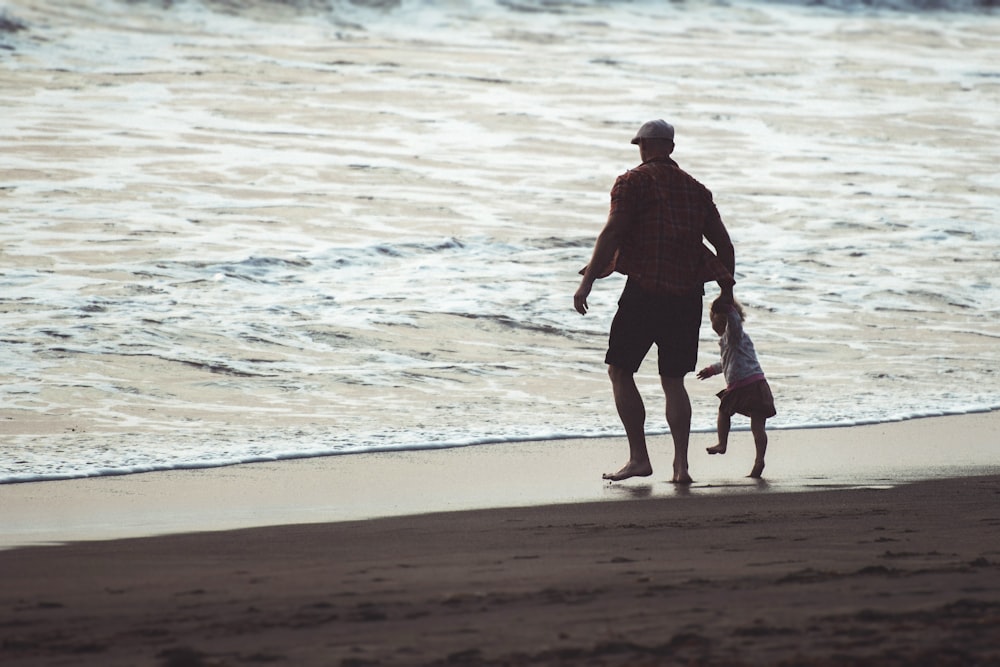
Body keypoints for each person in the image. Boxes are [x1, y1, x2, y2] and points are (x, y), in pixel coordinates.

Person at [574, 119, 735, 484]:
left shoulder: (631, 182)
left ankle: (639, 459)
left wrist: (587, 282)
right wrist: (726, 294)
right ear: (671, 148)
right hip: (687, 295)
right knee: (673, 380)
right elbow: (723, 246)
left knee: (620, 369)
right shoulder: (697, 190)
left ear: (643, 146)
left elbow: (613, 231)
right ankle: (681, 467)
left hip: (645, 290)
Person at [697, 298, 776, 479]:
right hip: (756, 384)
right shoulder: (731, 341)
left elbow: (733, 324)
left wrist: (728, 306)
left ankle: (722, 443)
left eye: (713, 320)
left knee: (724, 412)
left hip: (743, 386)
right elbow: (726, 362)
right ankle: (759, 460)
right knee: (757, 427)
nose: (712, 324)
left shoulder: (733, 335)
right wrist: (711, 370)